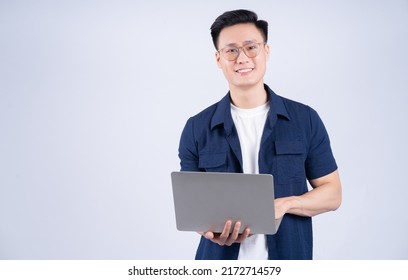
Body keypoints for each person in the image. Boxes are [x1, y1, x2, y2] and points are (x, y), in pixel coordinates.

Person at [177, 9, 342, 260]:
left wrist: (285, 204)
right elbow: (192, 207)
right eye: (231, 50)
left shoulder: (304, 119)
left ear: (266, 51)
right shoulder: (197, 128)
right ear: (218, 59)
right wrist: (209, 229)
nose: (242, 58)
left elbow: (332, 193)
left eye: (251, 47)